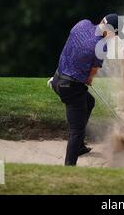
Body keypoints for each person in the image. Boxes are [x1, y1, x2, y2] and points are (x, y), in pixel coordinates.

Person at [49, 14, 119, 166]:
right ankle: (69, 168)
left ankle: (79, 146)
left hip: (57, 78)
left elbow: (70, 48)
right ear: (109, 31)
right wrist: (88, 79)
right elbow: (91, 75)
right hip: (71, 89)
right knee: (76, 131)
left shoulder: (82, 24)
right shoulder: (102, 46)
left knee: (89, 101)